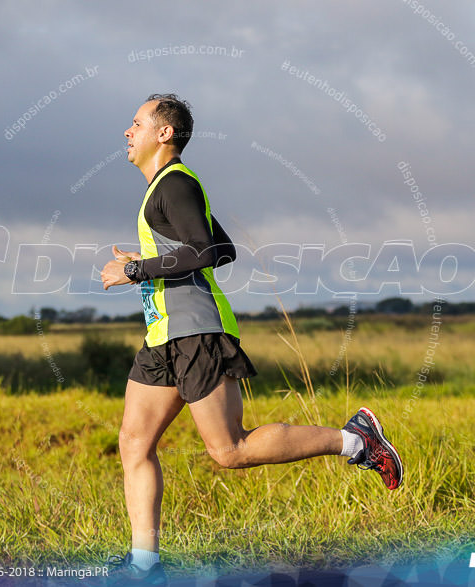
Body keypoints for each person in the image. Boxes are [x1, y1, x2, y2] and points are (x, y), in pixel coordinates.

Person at [99, 93, 403, 586]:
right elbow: (222, 248)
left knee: (230, 451)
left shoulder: (174, 184)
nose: (127, 132)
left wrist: (135, 268)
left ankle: (356, 440)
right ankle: (144, 566)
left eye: (136, 123)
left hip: (196, 332)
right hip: (164, 336)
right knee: (134, 444)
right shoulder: (165, 188)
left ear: (164, 133)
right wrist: (152, 258)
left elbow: (203, 252)